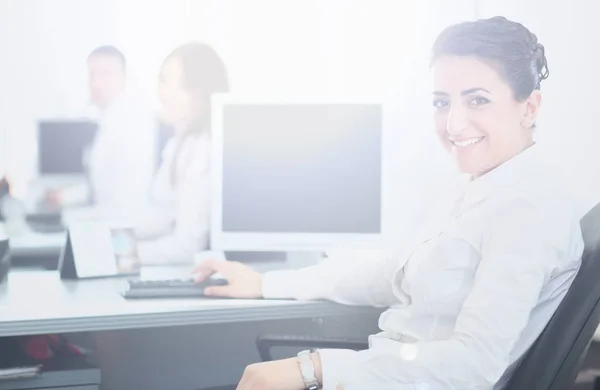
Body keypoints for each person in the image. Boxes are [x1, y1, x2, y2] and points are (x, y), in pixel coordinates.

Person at [192, 17, 585, 390]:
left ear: (529, 108)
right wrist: (267, 283)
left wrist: (313, 369)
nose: (452, 124)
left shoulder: (529, 209)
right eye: (441, 102)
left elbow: (474, 364)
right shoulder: (477, 186)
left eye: (477, 100)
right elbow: (389, 274)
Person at [134, 42, 229, 265]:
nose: (163, 94)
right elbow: (164, 216)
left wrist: (127, 254)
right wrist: (111, 235)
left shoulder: (204, 148)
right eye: (162, 81)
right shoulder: (181, 142)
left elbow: (187, 246)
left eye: (178, 86)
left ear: (202, 93)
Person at [49, 46, 156, 214]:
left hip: (118, 226)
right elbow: (99, 188)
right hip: (108, 221)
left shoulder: (131, 124)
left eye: (106, 74)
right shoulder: (107, 122)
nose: (96, 84)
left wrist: (79, 218)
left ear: (124, 78)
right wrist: (64, 197)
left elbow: (125, 201)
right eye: (92, 75)